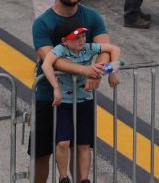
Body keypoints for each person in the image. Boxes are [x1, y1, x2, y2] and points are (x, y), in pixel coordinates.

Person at [31, 0, 115, 183]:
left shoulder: (92, 16)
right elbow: (51, 58)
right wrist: (87, 71)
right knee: (42, 153)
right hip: (49, 97)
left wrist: (99, 71)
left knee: (81, 146)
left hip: (81, 95)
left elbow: (105, 47)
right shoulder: (42, 23)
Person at [41, 23, 121, 183]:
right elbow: (46, 64)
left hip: (85, 101)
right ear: (65, 41)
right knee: (63, 142)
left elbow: (114, 49)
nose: (81, 40)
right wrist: (56, 88)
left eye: (83, 36)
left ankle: (84, 179)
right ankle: (63, 177)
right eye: (76, 38)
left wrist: (112, 71)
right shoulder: (60, 50)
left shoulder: (88, 47)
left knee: (84, 144)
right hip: (65, 103)